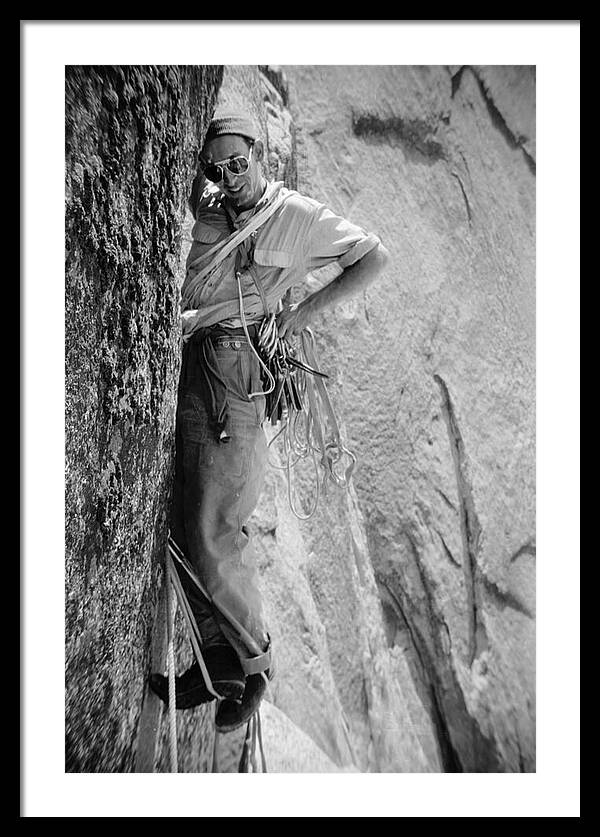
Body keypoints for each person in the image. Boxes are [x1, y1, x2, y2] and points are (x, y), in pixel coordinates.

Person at [150, 107, 389, 732]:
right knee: (184, 511)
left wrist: (302, 314)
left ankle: (253, 667)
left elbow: (373, 257)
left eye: (239, 163)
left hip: (237, 371)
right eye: (217, 169)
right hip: (198, 360)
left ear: (262, 156)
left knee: (219, 522)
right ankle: (217, 663)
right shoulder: (210, 208)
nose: (230, 177)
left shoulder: (296, 216)